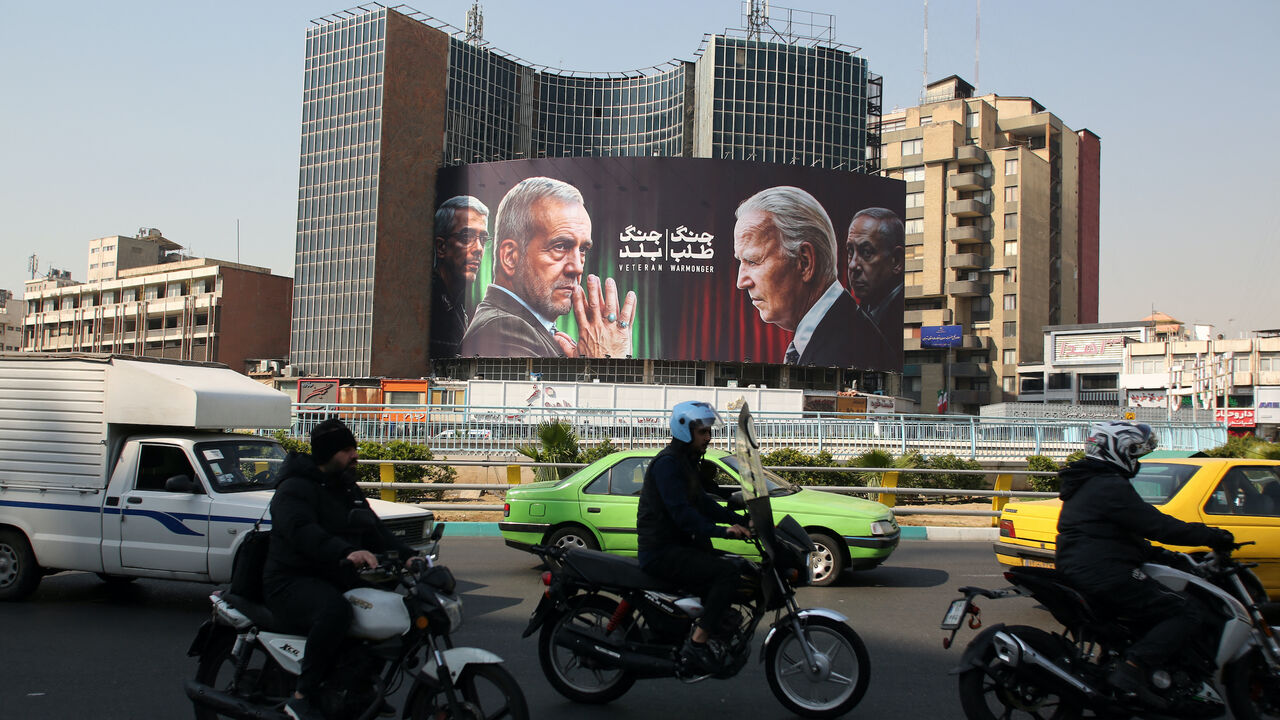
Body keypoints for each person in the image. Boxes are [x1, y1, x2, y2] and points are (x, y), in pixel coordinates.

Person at [1055, 421, 1234, 702]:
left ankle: (1125, 664)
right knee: (1185, 612)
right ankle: (1133, 668)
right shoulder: (1108, 485)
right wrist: (1212, 536)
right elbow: (1156, 525)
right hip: (1106, 572)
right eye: (1135, 453)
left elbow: (1121, 535)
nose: (1137, 460)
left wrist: (1169, 557)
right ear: (1116, 451)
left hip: (1089, 566)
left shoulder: (1089, 482)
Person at [264, 418, 417, 720]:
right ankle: (301, 696)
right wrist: (347, 551)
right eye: (347, 450)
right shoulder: (294, 488)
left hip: (333, 574)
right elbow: (302, 531)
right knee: (335, 611)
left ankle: (358, 687)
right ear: (327, 454)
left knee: (390, 608)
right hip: (291, 579)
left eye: (354, 448)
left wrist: (409, 556)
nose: (355, 456)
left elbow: (374, 528)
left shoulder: (346, 487)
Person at [458, 177, 637, 359]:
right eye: (560, 246)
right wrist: (605, 360)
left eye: (582, 249)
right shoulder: (502, 329)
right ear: (510, 257)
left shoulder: (529, 327)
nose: (577, 268)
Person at [636, 401, 751, 673]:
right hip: (661, 551)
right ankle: (698, 643)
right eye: (703, 432)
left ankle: (712, 625)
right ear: (685, 431)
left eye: (710, 431)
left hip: (680, 546)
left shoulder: (686, 463)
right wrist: (724, 531)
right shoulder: (667, 465)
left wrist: (742, 521)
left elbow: (704, 504)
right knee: (726, 574)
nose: (709, 438)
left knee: (738, 566)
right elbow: (683, 514)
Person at [733, 186, 890, 369]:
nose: (741, 282)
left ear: (804, 261)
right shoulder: (838, 332)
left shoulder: (848, 352)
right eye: (740, 261)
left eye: (752, 261)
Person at [430, 195, 490, 359]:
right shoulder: (428, 306)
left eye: (483, 239)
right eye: (467, 237)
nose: (478, 249)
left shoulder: (455, 305)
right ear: (441, 247)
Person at [846, 208, 905, 342]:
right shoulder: (860, 313)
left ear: (896, 261)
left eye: (866, 252)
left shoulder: (897, 322)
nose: (852, 265)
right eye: (850, 251)